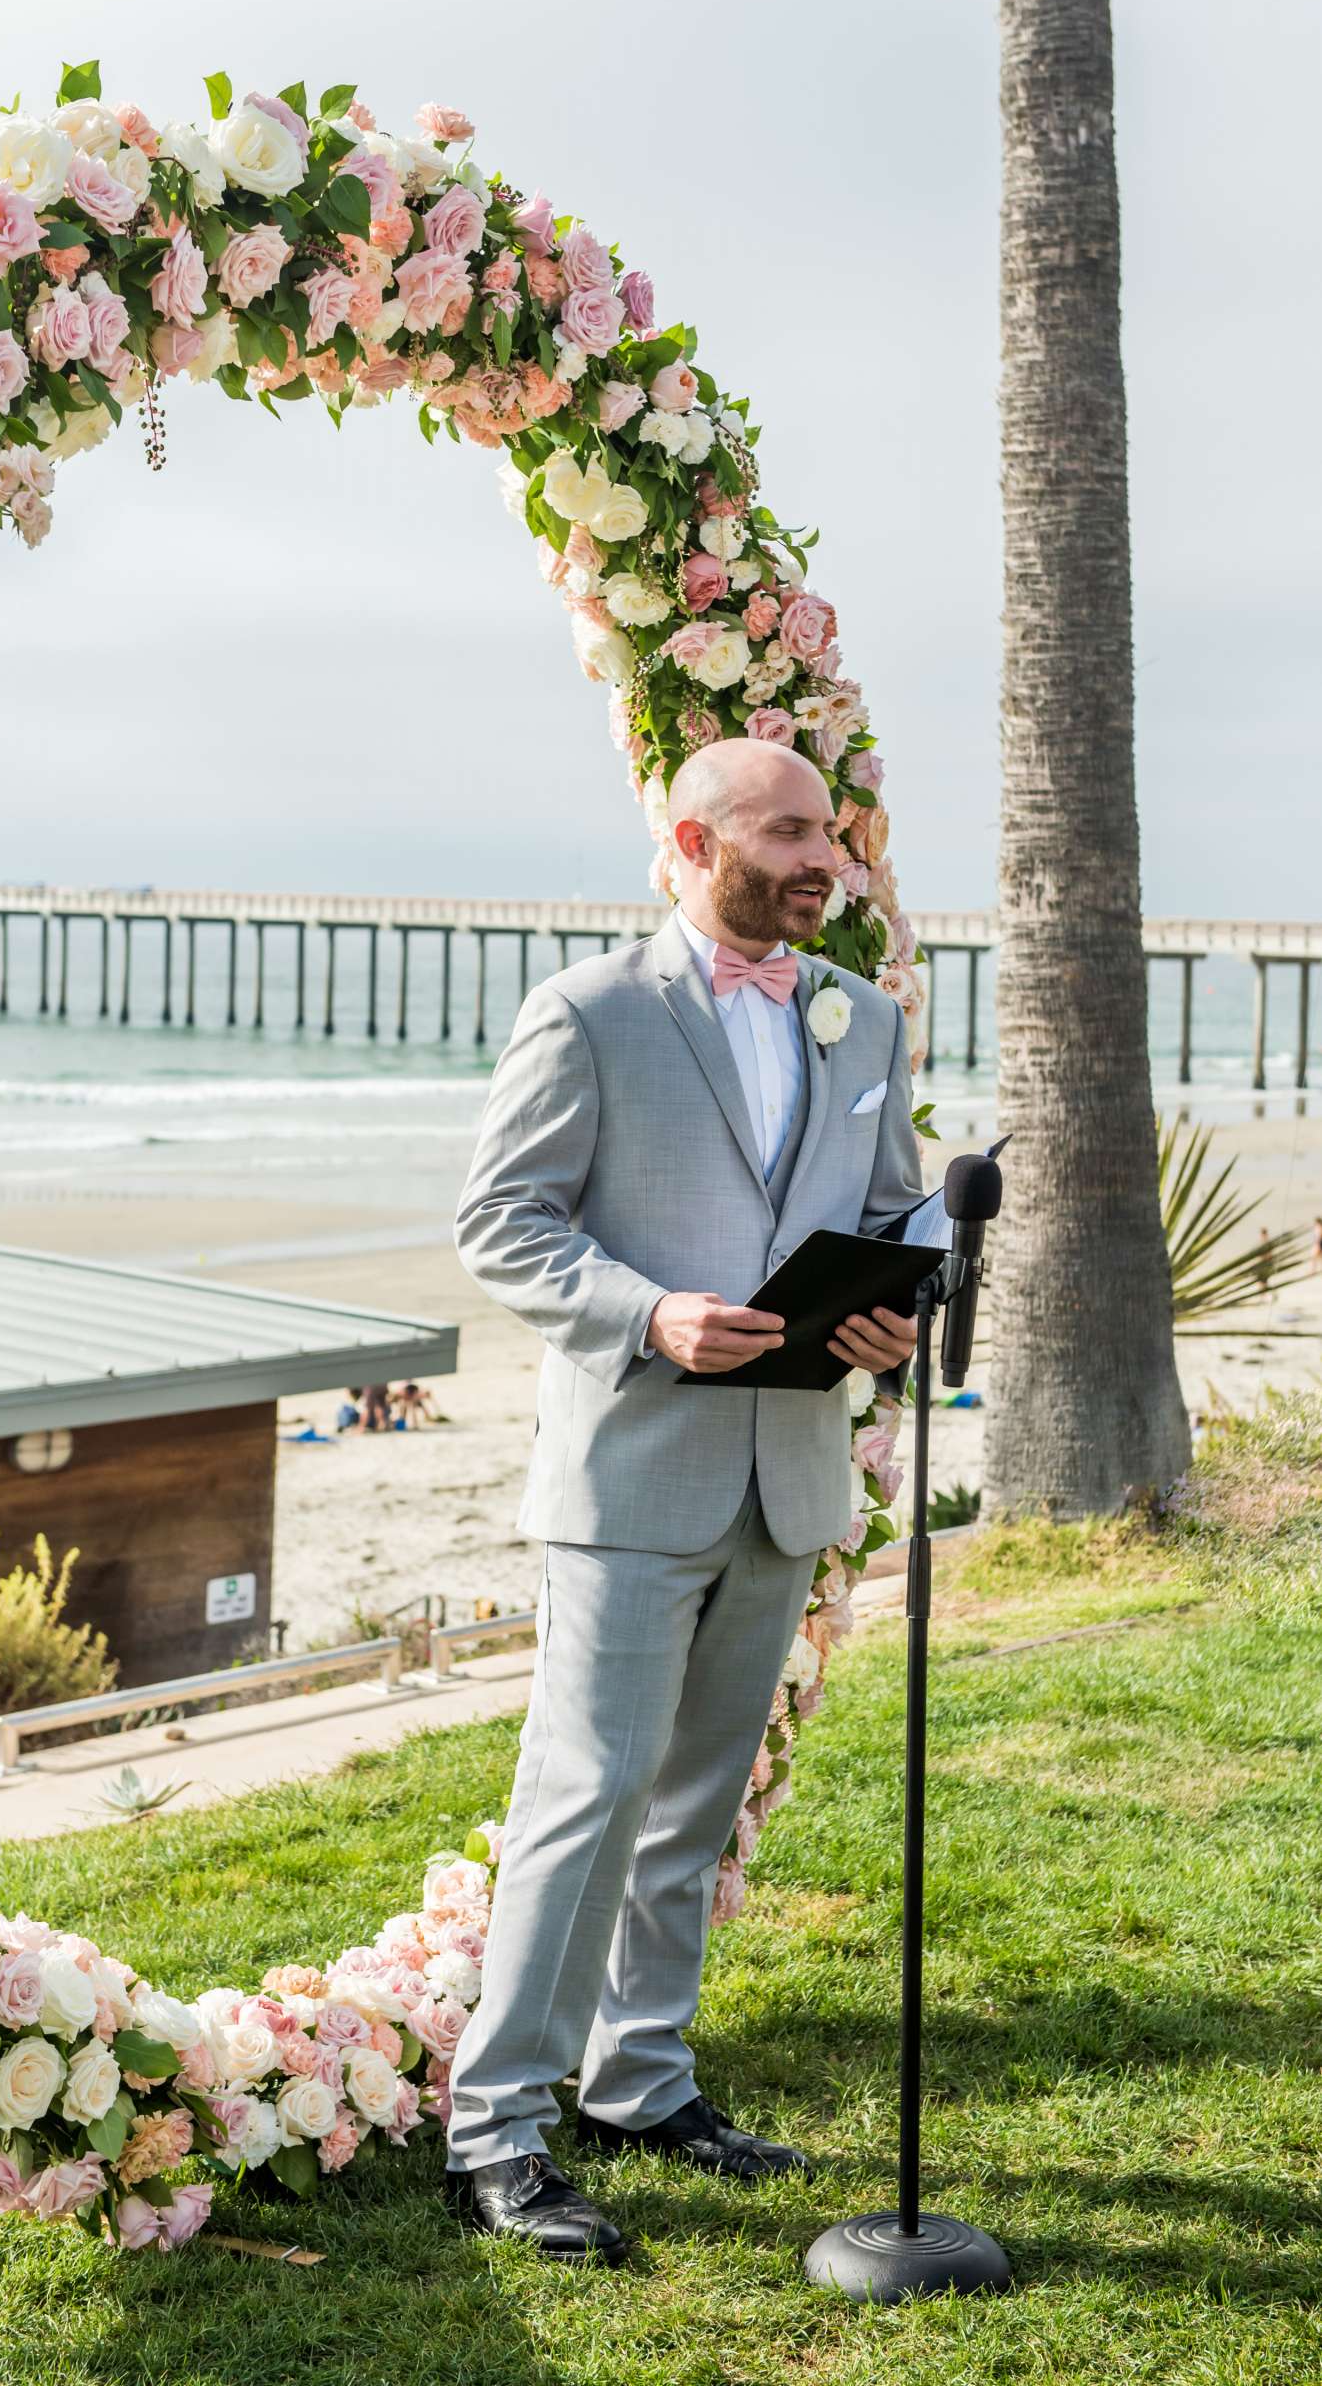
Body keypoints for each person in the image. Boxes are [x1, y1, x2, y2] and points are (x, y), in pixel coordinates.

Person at [442, 737, 924, 2267]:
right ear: (690, 839)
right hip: (630, 1467)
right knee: (579, 1799)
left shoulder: (865, 1022)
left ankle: (638, 2084)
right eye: (788, 834)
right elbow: (500, 1224)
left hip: (788, 1468)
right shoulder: (587, 1011)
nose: (821, 862)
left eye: (830, 840)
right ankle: (496, 2132)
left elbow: (891, 1208)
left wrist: (893, 1306)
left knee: (695, 1810)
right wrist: (646, 1314)